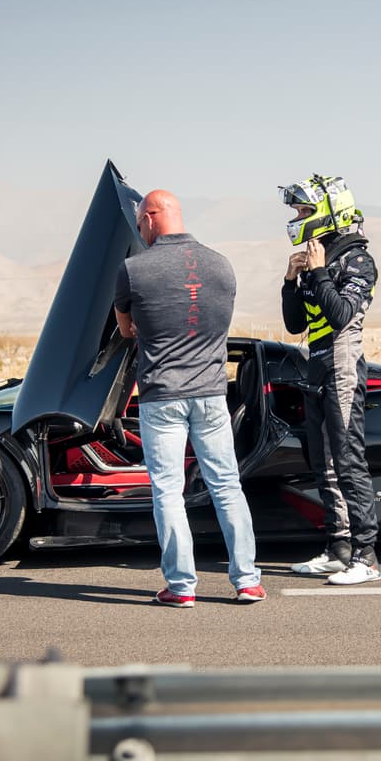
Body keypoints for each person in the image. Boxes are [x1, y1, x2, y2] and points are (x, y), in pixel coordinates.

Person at [114, 189, 264, 607]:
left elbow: (127, 331)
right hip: (212, 392)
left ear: (150, 216)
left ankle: (181, 588)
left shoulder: (132, 269)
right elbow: (216, 323)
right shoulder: (222, 265)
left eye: (140, 222)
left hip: (162, 396)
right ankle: (247, 581)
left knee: (167, 491)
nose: (140, 229)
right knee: (227, 486)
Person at [279, 174, 381, 585]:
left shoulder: (358, 261)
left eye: (304, 211)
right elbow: (294, 324)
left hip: (342, 365)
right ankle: (339, 549)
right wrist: (291, 280)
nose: (299, 218)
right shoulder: (313, 261)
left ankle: (367, 556)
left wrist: (319, 273)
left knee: (348, 459)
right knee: (323, 463)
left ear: (327, 214)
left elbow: (340, 315)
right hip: (316, 364)